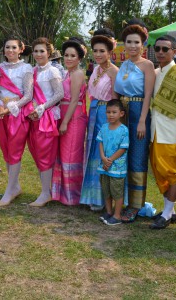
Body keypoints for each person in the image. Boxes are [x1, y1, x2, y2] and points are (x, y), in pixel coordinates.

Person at [148, 35, 176, 229]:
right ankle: (170, 210)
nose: (160, 52)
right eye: (157, 48)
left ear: (174, 51)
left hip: (172, 132)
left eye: (165, 49)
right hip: (155, 131)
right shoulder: (154, 73)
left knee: (172, 172)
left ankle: (166, 214)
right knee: (159, 171)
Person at [113, 22, 155, 223]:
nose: (132, 46)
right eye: (128, 42)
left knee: (138, 156)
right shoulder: (124, 65)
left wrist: (142, 121)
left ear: (143, 44)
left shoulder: (147, 65)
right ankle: (121, 199)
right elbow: (117, 91)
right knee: (122, 155)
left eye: (136, 42)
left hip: (139, 111)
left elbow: (148, 95)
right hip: (122, 112)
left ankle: (136, 205)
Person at [80, 33, 118, 210]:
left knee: (104, 151)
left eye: (102, 51)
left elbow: (116, 98)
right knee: (92, 151)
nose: (98, 54)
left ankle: (103, 199)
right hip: (94, 111)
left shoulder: (114, 71)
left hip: (106, 113)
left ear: (110, 52)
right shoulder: (95, 69)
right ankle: (91, 196)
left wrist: (113, 119)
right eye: (95, 51)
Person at [26, 37, 64, 206]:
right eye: (36, 51)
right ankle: (45, 190)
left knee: (45, 153)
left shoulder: (53, 71)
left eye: (42, 51)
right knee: (36, 151)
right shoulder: (32, 71)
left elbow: (59, 94)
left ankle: (45, 193)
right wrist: (32, 108)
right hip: (34, 116)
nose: (38, 54)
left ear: (49, 53)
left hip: (48, 117)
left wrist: (42, 107)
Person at [0, 37, 33, 206]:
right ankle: (14, 187)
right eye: (7, 47)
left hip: (18, 114)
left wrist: (10, 108)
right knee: (6, 150)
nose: (10, 50)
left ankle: (9, 190)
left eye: (13, 47)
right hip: (1, 114)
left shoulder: (26, 68)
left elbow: (28, 95)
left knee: (15, 151)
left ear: (20, 49)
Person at [51, 38, 88, 205]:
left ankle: (73, 195)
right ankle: (62, 193)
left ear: (79, 58)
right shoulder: (67, 73)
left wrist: (65, 122)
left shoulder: (78, 73)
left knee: (71, 154)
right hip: (64, 113)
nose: (69, 58)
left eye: (73, 55)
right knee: (63, 153)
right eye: (66, 55)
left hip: (74, 117)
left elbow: (74, 100)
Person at [95, 99, 129, 226]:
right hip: (104, 166)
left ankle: (117, 215)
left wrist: (110, 160)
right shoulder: (104, 127)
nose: (111, 115)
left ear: (121, 113)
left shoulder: (123, 130)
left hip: (117, 168)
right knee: (106, 189)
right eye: (108, 112)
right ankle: (109, 212)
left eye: (114, 112)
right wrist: (103, 157)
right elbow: (100, 143)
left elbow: (123, 148)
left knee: (117, 191)